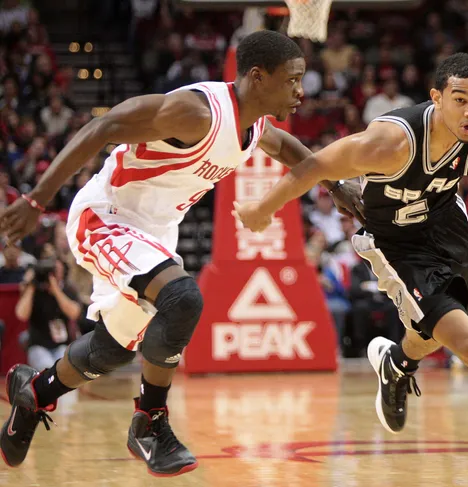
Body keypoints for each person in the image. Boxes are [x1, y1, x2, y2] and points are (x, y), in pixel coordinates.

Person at [233, 53, 468, 484]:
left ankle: (397, 362)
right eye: (460, 99)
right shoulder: (391, 142)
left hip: (448, 230)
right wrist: (263, 208)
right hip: (398, 244)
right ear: (436, 98)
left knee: (433, 335)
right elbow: (315, 166)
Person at [0, 30, 363, 477]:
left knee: (111, 351)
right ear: (256, 76)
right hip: (108, 217)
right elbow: (103, 127)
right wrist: (38, 200)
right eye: (292, 80)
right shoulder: (195, 113)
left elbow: (286, 148)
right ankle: (149, 423)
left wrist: (336, 186)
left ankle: (34, 392)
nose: (300, 91)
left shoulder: (255, 124)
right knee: (183, 298)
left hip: (155, 233)